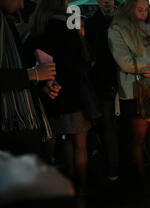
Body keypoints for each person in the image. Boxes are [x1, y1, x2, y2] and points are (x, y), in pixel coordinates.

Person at [29, 0, 94, 194]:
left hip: (51, 92)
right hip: (74, 93)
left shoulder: (38, 28)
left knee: (65, 139)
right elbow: (82, 59)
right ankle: (81, 187)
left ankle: (70, 185)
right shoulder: (67, 26)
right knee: (80, 144)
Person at [108, 0, 150, 186]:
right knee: (138, 136)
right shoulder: (117, 29)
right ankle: (142, 179)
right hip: (134, 89)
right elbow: (125, 61)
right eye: (139, 10)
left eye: (145, 10)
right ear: (129, 9)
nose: (143, 13)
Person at [0, 0, 58, 157]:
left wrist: (39, 84)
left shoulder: (7, 21)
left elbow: (18, 67)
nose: (22, 6)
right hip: (12, 126)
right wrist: (33, 74)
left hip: (22, 123)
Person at [85, 0, 120, 182]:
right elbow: (94, 54)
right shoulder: (92, 23)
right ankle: (113, 168)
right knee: (109, 127)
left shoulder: (122, 18)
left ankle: (125, 164)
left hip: (125, 79)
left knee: (123, 126)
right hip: (105, 82)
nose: (107, 1)